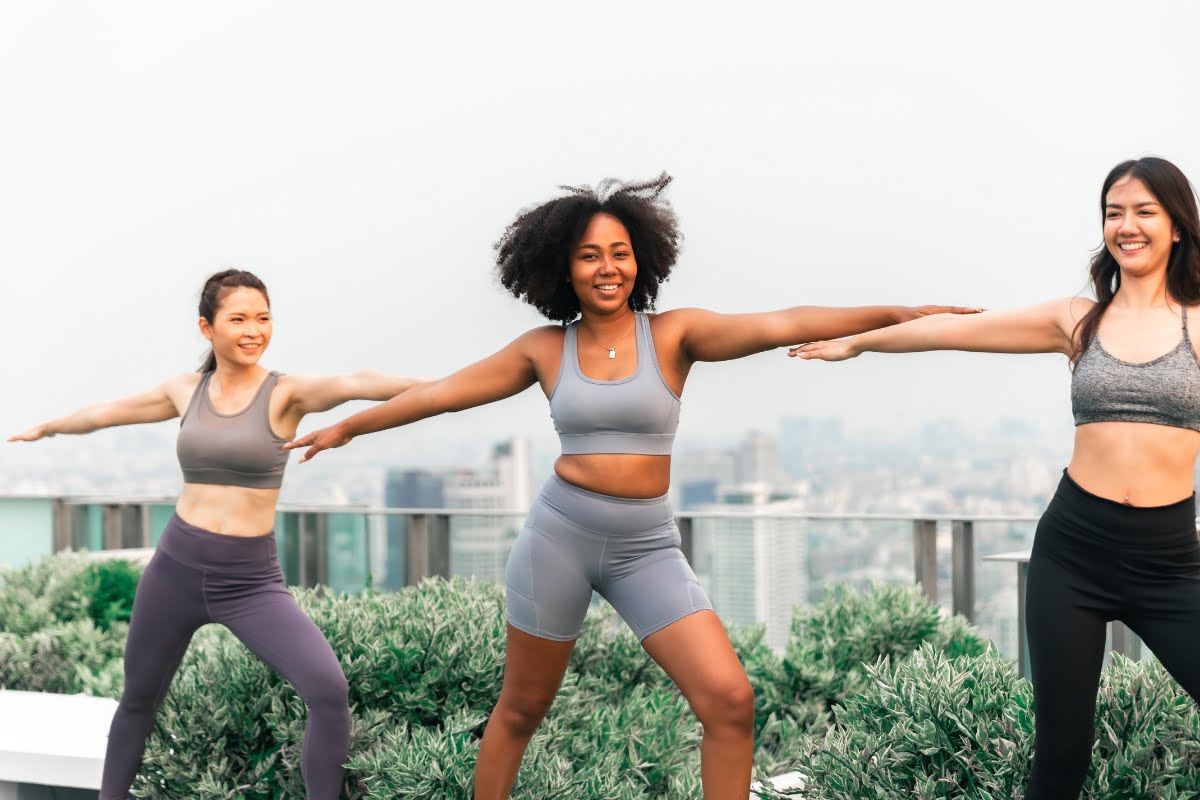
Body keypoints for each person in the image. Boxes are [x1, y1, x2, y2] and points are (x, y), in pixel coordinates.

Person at [285, 174, 977, 799]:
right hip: (561, 537)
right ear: (565, 268)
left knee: (730, 701)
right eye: (589, 255)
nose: (606, 267)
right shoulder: (544, 349)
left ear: (639, 259)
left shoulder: (674, 336)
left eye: (618, 252)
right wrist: (351, 428)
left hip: (646, 545)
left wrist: (904, 312)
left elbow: (784, 322)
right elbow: (442, 395)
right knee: (521, 709)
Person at [793, 156, 1200, 799]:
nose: (1127, 225)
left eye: (1145, 211)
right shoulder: (1078, 318)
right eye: (1114, 212)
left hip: (1171, 560)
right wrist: (861, 341)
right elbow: (958, 331)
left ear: (1177, 226)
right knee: (1061, 753)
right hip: (1074, 554)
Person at [8, 269, 424, 800]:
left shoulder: (286, 392)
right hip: (174, 570)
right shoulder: (186, 390)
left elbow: (360, 382)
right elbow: (107, 414)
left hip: (250, 581)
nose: (254, 330)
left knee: (328, 690)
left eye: (263, 318)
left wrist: (459, 385)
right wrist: (47, 427)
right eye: (239, 319)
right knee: (138, 699)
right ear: (207, 328)